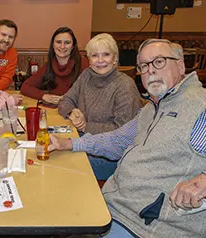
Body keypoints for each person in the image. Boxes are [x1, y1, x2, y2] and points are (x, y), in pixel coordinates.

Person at [48, 39, 206, 237]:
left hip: (145, 225)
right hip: (114, 204)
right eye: (144, 66)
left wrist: (204, 181)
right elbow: (118, 139)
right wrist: (70, 143)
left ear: (180, 65)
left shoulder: (200, 106)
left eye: (159, 62)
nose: (151, 71)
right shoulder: (152, 107)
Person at [57, 33, 142, 180]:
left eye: (106, 55)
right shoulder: (86, 75)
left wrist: (85, 127)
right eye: (95, 55)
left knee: (63, 164)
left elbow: (122, 134)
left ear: (115, 58)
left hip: (112, 156)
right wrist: (72, 112)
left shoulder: (125, 86)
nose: (100, 60)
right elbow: (65, 100)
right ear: (89, 60)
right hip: (84, 141)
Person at [20, 27, 89, 106]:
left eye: (67, 42)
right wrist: (43, 96)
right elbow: (25, 87)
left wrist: (69, 98)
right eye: (58, 42)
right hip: (54, 110)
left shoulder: (84, 64)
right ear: (53, 45)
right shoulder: (49, 65)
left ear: (73, 46)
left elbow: (91, 94)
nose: (62, 47)